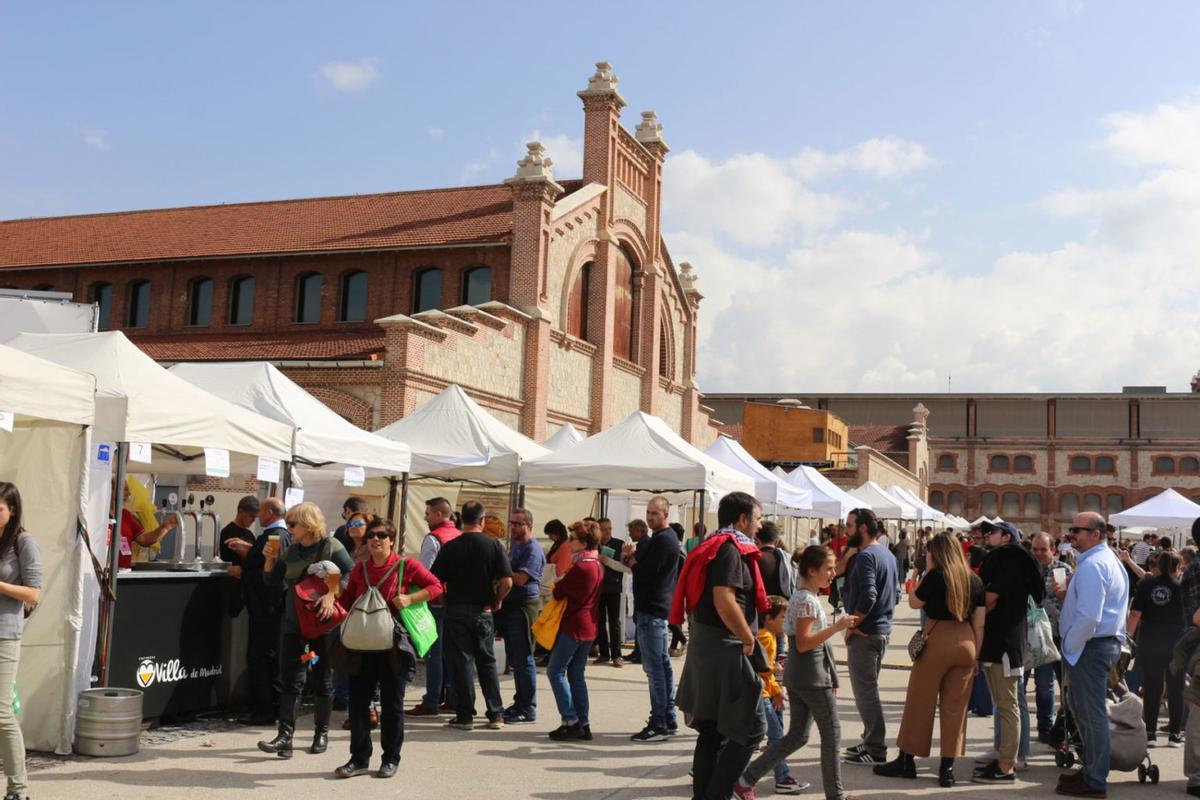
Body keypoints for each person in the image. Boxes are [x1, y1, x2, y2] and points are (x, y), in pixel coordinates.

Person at [735, 545, 861, 800]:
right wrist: (837, 627)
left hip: (804, 675)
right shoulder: (805, 599)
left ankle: (746, 778)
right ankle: (835, 796)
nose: (832, 573)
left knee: (797, 736)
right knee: (831, 735)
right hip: (811, 677)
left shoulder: (804, 596)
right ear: (812, 571)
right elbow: (804, 643)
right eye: (828, 568)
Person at [674, 491, 770, 800]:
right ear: (742, 520)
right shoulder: (729, 549)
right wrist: (748, 638)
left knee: (713, 731)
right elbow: (724, 598)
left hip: (710, 647)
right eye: (756, 519)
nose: (759, 525)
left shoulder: (713, 545)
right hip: (726, 648)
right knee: (753, 727)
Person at [334, 518, 443, 779]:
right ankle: (359, 758)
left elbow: (436, 587)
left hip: (393, 644)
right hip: (362, 643)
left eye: (382, 535)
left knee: (392, 703)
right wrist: (333, 592)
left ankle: (390, 759)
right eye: (372, 535)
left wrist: (410, 598)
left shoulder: (406, 565)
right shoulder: (360, 569)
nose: (376, 539)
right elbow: (348, 602)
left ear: (392, 540)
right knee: (359, 703)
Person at [875, 533, 985, 787]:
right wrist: (977, 654)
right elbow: (980, 623)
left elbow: (914, 603)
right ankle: (947, 768)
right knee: (956, 708)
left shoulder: (936, 576)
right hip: (966, 641)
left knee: (920, 701)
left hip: (937, 639)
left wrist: (916, 578)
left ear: (938, 553)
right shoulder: (975, 580)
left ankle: (906, 760)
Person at [258, 502, 355, 759]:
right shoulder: (290, 552)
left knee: (322, 681)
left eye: (292, 524)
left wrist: (330, 595)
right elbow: (271, 582)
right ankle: (285, 737)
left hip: (321, 629)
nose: (288, 529)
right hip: (294, 626)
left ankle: (321, 732)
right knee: (292, 681)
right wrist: (268, 560)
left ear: (309, 525)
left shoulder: (331, 547)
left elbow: (349, 575)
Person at [1056, 511, 1129, 798]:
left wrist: (1071, 646)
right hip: (1097, 644)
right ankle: (1091, 771)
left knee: (1091, 713)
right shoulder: (1102, 560)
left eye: (1078, 530)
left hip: (1090, 646)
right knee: (1084, 712)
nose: (1073, 534)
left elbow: (1089, 617)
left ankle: (1095, 779)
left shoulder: (1094, 565)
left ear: (1096, 534)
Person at [431, 500, 513, 731]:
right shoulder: (494, 545)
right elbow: (507, 581)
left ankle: (465, 715)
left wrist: (443, 600)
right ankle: (496, 713)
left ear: (461, 520)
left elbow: (434, 582)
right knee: (487, 663)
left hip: (456, 610)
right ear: (482, 520)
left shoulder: (450, 546)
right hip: (483, 611)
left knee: (462, 663)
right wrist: (497, 599)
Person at [973, 520, 1042, 784]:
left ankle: (1006, 766)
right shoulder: (1005, 559)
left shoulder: (1011, 560)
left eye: (994, 532)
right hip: (999, 641)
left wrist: (978, 607)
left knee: (1008, 704)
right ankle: (1003, 757)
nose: (988, 535)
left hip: (1005, 643)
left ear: (1007, 537)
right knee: (1003, 704)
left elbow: (989, 598)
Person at [840, 508, 897, 767]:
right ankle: (870, 739)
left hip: (867, 633)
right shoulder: (886, 554)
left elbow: (870, 595)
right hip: (880, 631)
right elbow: (893, 595)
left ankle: (875, 747)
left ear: (863, 528)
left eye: (850, 525)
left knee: (866, 694)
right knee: (868, 691)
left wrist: (854, 624)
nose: (846, 530)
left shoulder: (866, 557)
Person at [621, 496, 680, 742]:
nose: (650, 517)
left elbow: (646, 573)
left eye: (655, 513)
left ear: (666, 515)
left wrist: (632, 560)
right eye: (648, 512)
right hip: (654, 610)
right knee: (662, 667)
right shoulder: (660, 539)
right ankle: (667, 716)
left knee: (654, 670)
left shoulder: (664, 540)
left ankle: (659, 723)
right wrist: (633, 560)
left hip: (653, 611)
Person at [0, 483, 41, 800]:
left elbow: (33, 594)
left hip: (4, 633)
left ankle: (18, 789)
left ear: (12, 510)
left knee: (1, 714)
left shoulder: (23, 541)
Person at [546, 519, 604, 741]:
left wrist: (561, 580)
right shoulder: (596, 563)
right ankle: (583, 721)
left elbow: (559, 591)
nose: (568, 543)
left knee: (555, 671)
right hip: (588, 625)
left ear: (583, 542)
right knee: (576, 675)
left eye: (572, 539)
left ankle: (571, 720)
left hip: (574, 625)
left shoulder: (582, 566)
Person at [747, 595, 809, 795]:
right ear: (768, 618)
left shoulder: (768, 635)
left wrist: (776, 690)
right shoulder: (766, 637)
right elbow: (762, 669)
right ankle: (782, 778)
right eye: (783, 617)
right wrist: (774, 669)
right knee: (776, 736)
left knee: (748, 737)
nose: (787, 621)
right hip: (760, 695)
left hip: (761, 692)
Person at [406, 497, 461, 717]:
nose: (425, 518)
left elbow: (426, 574)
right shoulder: (459, 535)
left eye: (427, 514)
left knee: (434, 653)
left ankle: (431, 701)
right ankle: (453, 697)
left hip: (436, 601)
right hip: (456, 600)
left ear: (439, 514)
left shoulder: (434, 538)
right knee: (451, 653)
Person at [236, 496, 288, 726]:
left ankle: (264, 709)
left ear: (269, 513)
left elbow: (269, 571)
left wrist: (241, 571)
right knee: (270, 656)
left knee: (260, 656)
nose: (258, 516)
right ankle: (271, 707)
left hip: (266, 607)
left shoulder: (274, 536)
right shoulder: (283, 536)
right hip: (272, 606)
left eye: (261, 511)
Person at [1128, 549, 1184, 747]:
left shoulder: (1146, 585)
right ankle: (1175, 734)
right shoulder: (1181, 586)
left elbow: (1135, 614)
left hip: (1151, 642)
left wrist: (1128, 638)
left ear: (1158, 566)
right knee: (1176, 689)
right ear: (1178, 567)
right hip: (1177, 644)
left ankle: (1150, 733)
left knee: (1152, 688)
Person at [497, 507, 544, 724]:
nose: (513, 527)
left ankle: (528, 707)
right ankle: (520, 702)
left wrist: (500, 572)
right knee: (516, 658)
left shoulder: (532, 549)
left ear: (529, 526)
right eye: (512, 523)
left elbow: (520, 579)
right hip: (511, 607)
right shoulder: (516, 546)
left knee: (524, 658)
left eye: (518, 524)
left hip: (524, 607)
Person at [1031, 531, 1073, 744]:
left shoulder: (1062, 570)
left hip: (1058, 634)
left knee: (1065, 684)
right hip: (1035, 636)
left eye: (1043, 549)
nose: (1038, 553)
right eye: (1035, 549)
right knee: (1043, 683)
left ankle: (1063, 726)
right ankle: (1045, 728)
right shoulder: (1027, 570)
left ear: (1053, 550)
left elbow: (1070, 602)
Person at [594, 517, 627, 667]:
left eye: (609, 529)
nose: (607, 532)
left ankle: (617, 655)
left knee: (614, 622)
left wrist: (608, 561)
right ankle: (604, 653)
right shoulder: (593, 544)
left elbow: (625, 568)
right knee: (599, 621)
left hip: (613, 588)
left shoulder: (619, 544)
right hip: (597, 588)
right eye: (604, 529)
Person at [623, 518, 648, 664]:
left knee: (640, 621)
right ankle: (638, 651)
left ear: (639, 530)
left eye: (631, 531)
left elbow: (634, 565)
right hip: (640, 590)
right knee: (637, 620)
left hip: (642, 591)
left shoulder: (645, 544)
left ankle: (640, 653)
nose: (630, 534)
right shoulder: (643, 544)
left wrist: (628, 556)